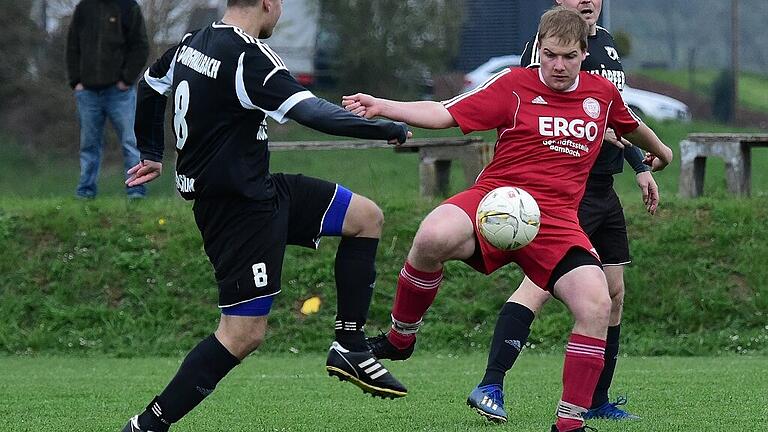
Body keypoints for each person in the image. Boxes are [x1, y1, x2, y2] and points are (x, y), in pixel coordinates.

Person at [346, 7, 673, 432]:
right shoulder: (513, 86)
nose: (558, 65)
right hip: (495, 200)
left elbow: (630, 125)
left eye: (569, 56)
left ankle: (569, 424)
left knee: (597, 303)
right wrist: (382, 105)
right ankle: (400, 337)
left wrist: (661, 153)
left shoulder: (600, 95)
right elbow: (444, 112)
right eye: (550, 54)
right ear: (539, 50)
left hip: (557, 222)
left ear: (583, 53)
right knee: (431, 235)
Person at [119, 1, 411, 431]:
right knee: (243, 335)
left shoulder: (190, 43)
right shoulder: (247, 56)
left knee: (366, 217)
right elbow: (310, 111)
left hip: (262, 190)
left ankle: (350, 345)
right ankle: (148, 424)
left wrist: (149, 151)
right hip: (236, 212)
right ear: (267, 4)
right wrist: (386, 126)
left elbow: (148, 86)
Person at [465, 0, 657, 423]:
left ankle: (595, 399)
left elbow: (616, 116)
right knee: (537, 287)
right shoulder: (546, 49)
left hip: (604, 188)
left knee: (613, 293)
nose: (587, 1)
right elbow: (544, 111)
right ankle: (491, 383)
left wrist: (640, 166)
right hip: (565, 190)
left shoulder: (603, 44)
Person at [66, 0, 149, 199]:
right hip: (88, 92)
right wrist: (76, 80)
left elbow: (140, 46)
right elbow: (72, 45)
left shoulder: (129, 7)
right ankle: (86, 191)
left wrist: (126, 79)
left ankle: (136, 191)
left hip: (119, 92)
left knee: (131, 142)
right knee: (89, 145)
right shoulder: (84, 7)